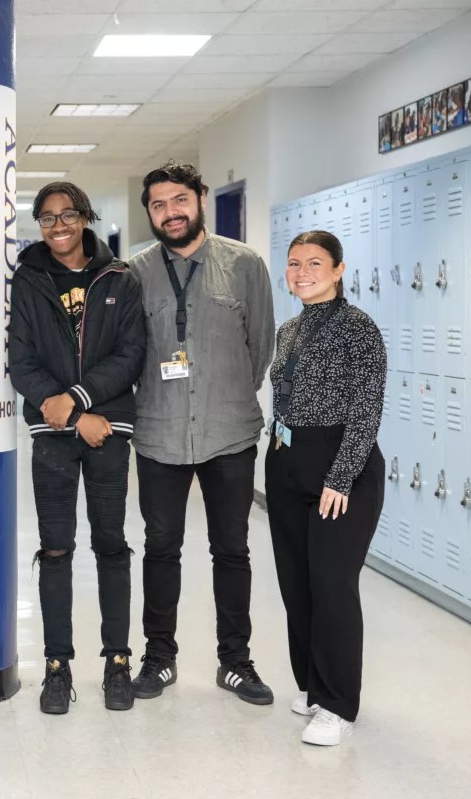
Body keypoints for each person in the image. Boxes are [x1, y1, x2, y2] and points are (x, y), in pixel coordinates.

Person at [127, 161, 276, 706]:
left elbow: (260, 346)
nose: (171, 213)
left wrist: (225, 392)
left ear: (201, 199)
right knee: (161, 548)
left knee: (232, 550)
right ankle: (158, 659)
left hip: (229, 432)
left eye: (179, 201)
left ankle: (235, 662)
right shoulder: (135, 271)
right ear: (150, 211)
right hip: (159, 434)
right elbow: (129, 352)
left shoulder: (244, 265)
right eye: (159, 205)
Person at [9, 182, 146, 715]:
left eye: (68, 215)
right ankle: (56, 667)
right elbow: (20, 358)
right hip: (54, 432)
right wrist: (64, 409)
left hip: (107, 428)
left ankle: (117, 662)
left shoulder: (119, 278)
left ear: (86, 218)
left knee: (111, 543)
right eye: (47, 217)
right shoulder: (29, 278)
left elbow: (131, 353)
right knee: (57, 547)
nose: (58, 226)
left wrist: (80, 401)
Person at [267, 231, 385, 747]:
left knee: (333, 587)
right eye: (294, 263)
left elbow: (366, 408)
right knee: (297, 586)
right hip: (288, 465)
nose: (302, 272)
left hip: (342, 470)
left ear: (338, 270)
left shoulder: (359, 328)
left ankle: (338, 705)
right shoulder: (289, 329)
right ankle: (314, 687)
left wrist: (341, 477)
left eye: (314, 263)